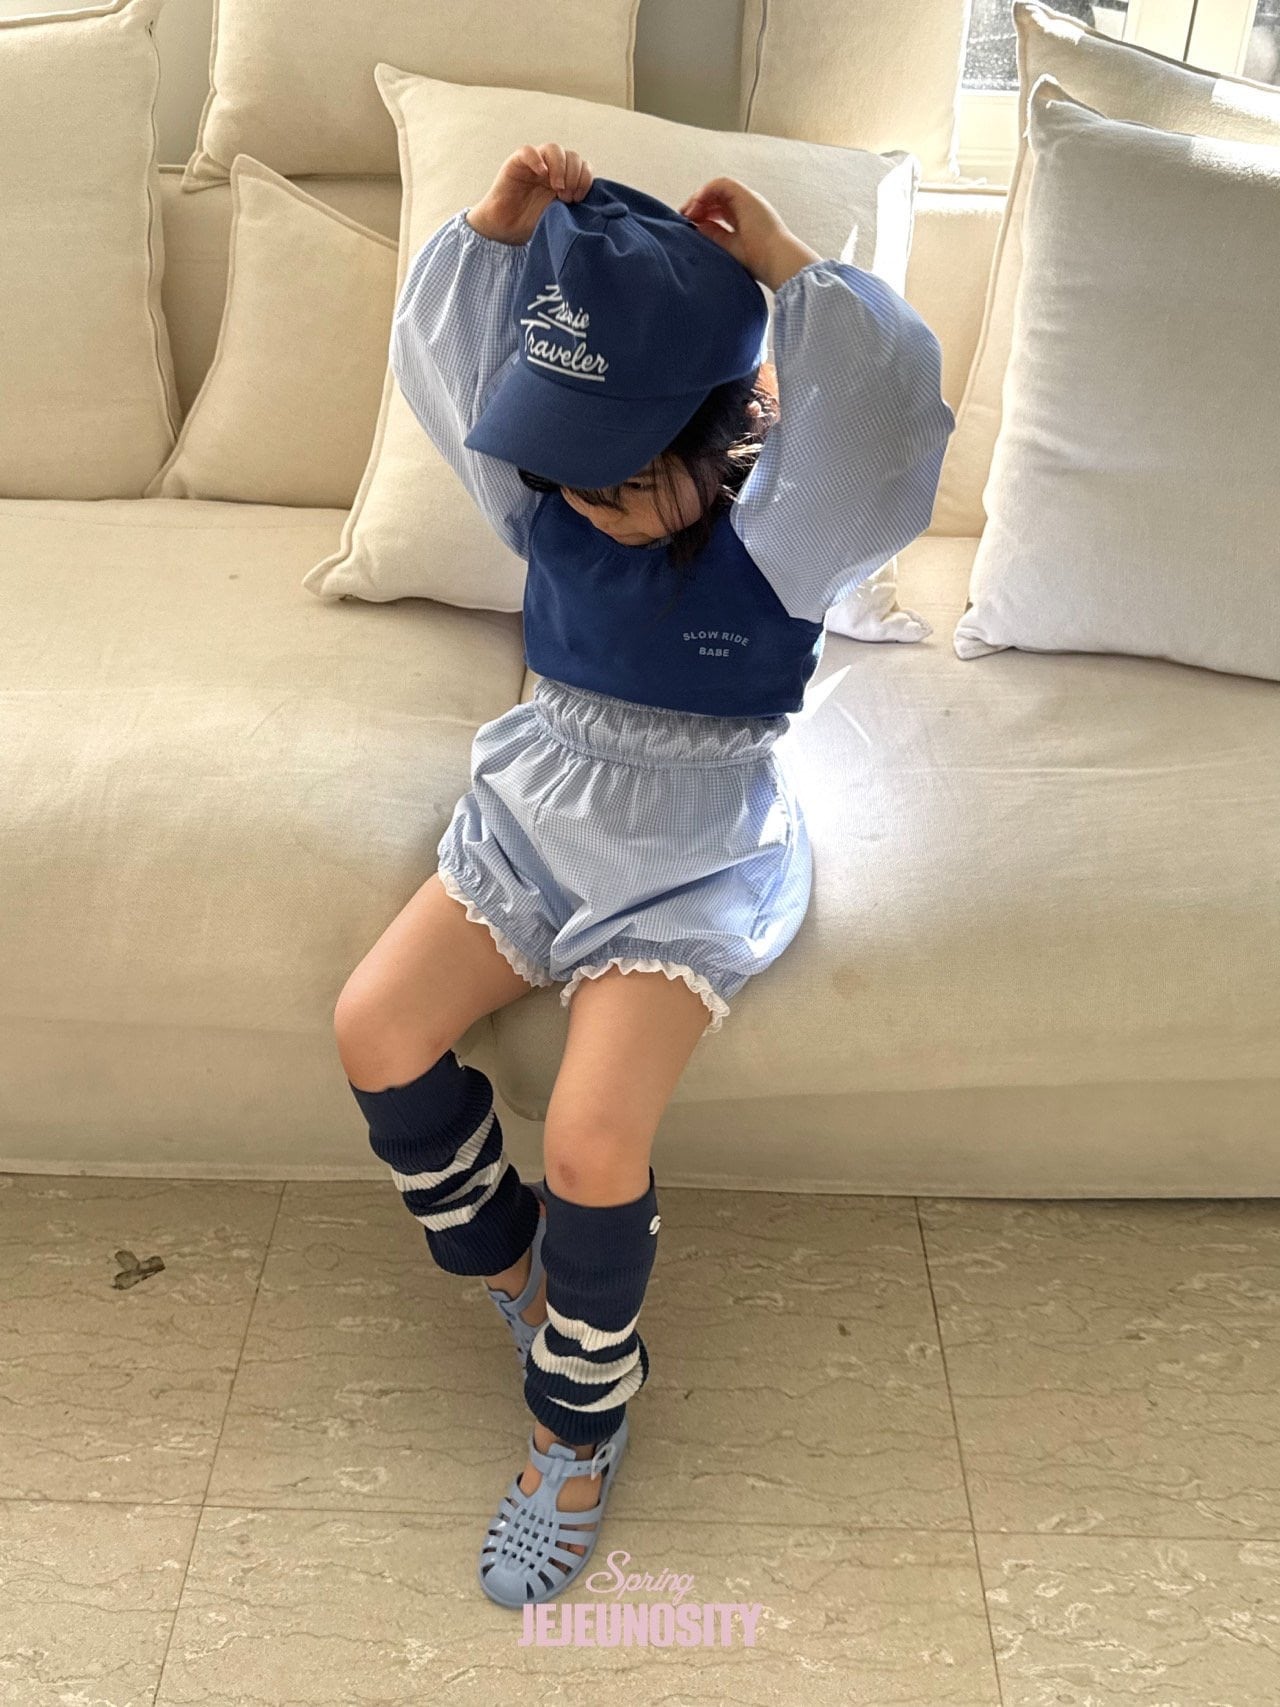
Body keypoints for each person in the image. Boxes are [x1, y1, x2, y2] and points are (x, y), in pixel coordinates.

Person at [333, 142, 956, 1610]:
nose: (583, 502)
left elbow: (885, 419)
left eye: (623, 477)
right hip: (539, 805)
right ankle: (525, 1287)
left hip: (691, 851)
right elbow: (447, 370)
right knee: (373, 1027)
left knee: (593, 1141)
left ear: (730, 439)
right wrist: (493, 235)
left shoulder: (785, 540)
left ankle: (578, 1424)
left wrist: (788, 264)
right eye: (566, 465)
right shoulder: (537, 491)